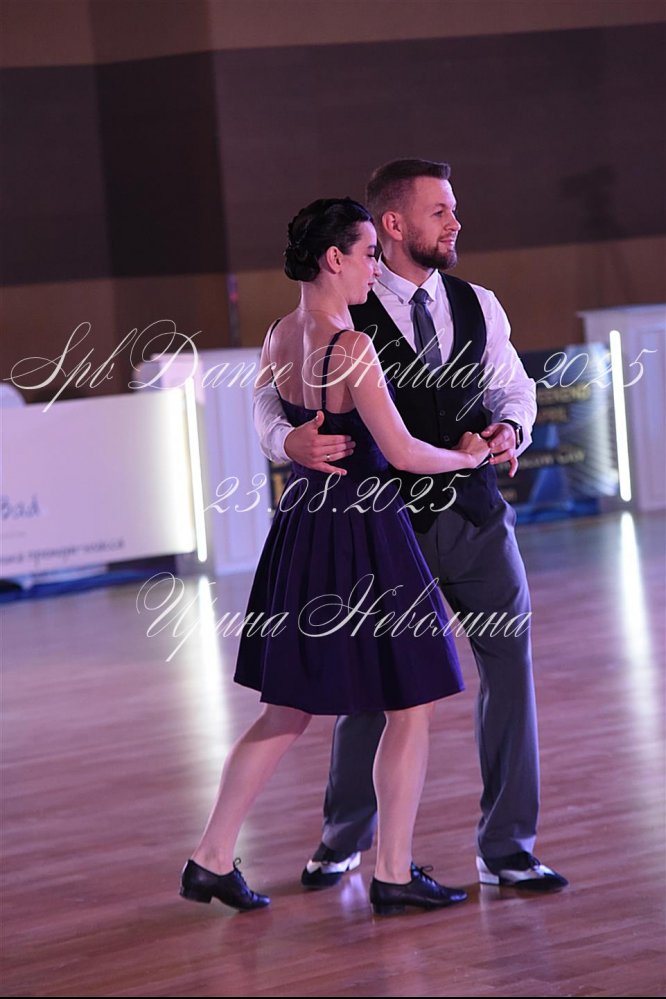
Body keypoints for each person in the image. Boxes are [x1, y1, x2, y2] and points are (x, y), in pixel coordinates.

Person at [254, 160, 568, 893]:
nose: (455, 223)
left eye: (453, 209)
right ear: (393, 224)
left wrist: (510, 428)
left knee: (509, 671)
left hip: (477, 519)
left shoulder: (478, 303)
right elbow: (269, 398)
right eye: (440, 211)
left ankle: (508, 847)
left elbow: (512, 387)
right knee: (373, 687)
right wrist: (285, 440)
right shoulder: (342, 305)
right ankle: (344, 836)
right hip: (383, 527)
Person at [180, 197, 491, 916]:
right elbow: (404, 454)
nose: (374, 268)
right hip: (366, 530)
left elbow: (268, 417)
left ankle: (211, 857)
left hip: (303, 529)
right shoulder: (351, 347)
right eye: (368, 254)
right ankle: (392, 873)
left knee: (286, 710)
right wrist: (468, 456)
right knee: (410, 703)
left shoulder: (278, 334)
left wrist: (289, 444)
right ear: (334, 258)